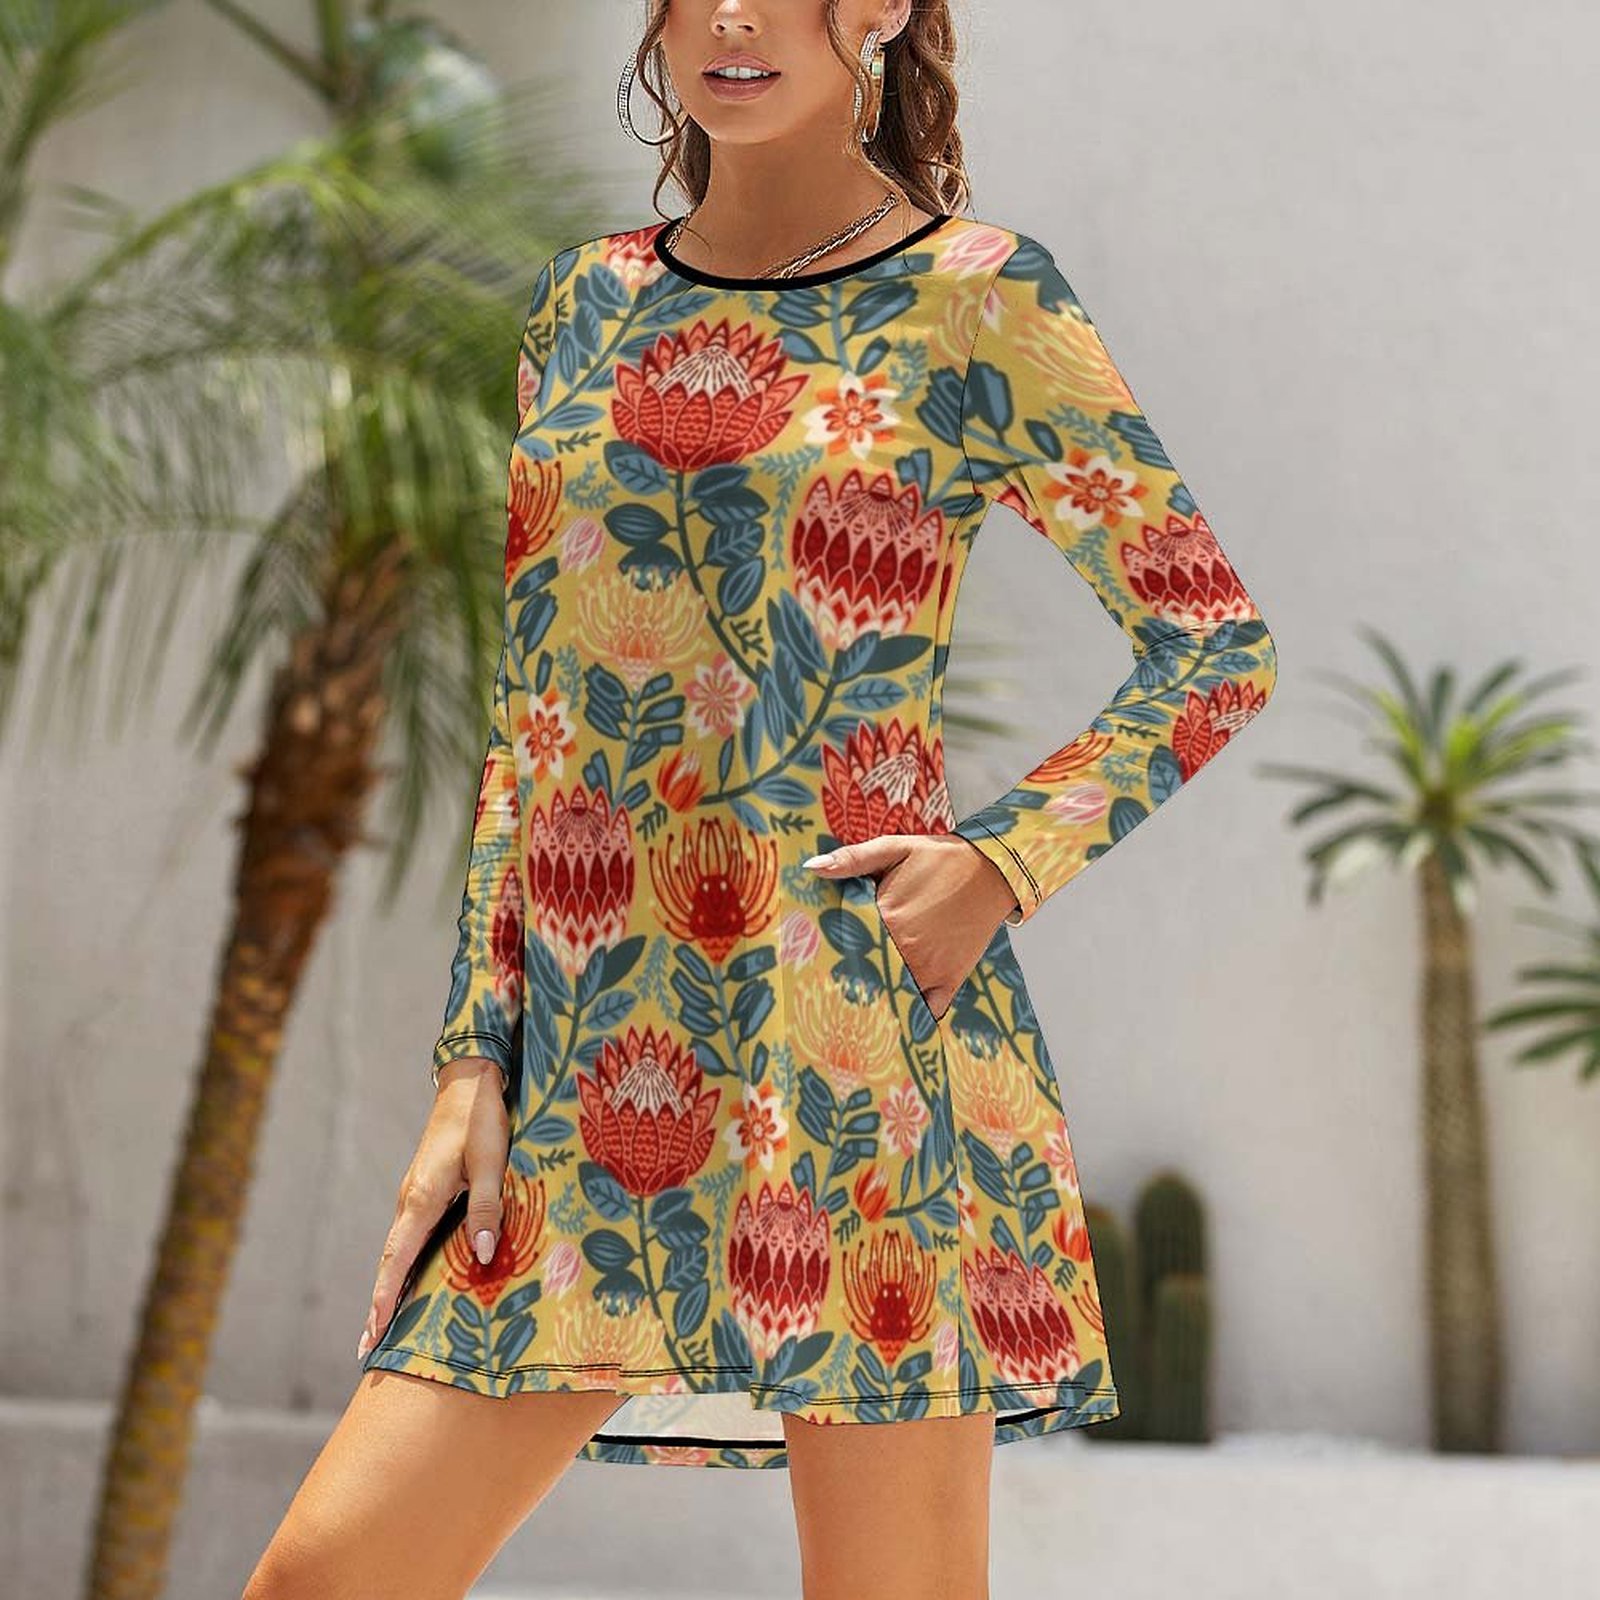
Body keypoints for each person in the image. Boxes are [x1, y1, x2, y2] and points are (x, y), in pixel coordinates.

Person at [245, 2, 1277, 1596]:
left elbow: (1212, 645)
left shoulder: (976, 298)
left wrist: (1001, 864)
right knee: (329, 1576)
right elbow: (535, 724)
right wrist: (470, 1061)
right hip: (592, 1064)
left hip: (854, 1054)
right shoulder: (585, 305)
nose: (734, 14)